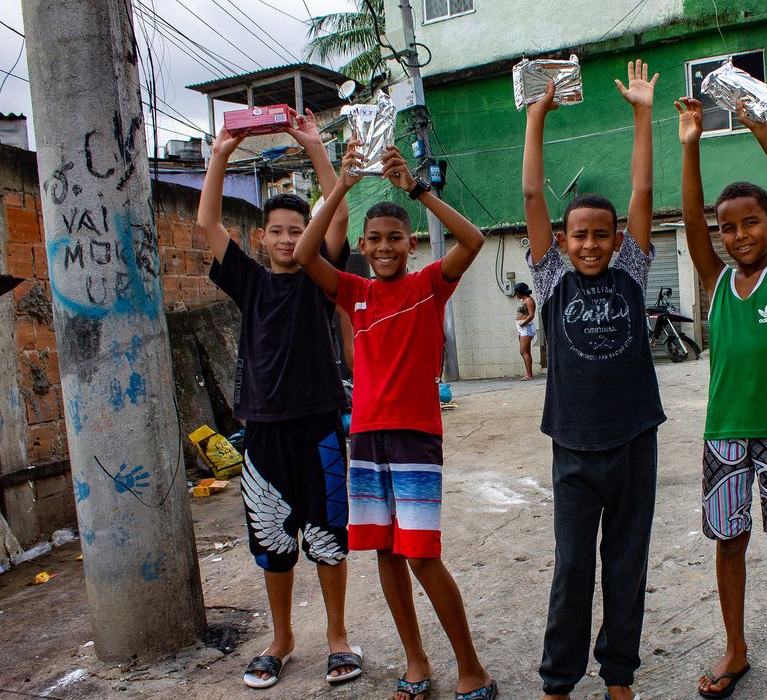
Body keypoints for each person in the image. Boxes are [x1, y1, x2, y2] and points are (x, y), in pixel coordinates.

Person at [294, 142, 496, 700]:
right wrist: (342, 186)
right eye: (375, 240)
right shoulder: (353, 292)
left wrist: (418, 190)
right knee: (385, 552)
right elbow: (307, 255)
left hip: (413, 438)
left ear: (411, 244)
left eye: (395, 239)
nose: (385, 248)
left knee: (423, 556)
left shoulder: (429, 284)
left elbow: (474, 240)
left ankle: (471, 667)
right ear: (362, 246)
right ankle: (415, 662)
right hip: (366, 439)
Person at [195, 111, 361, 688]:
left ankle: (338, 638)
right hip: (262, 429)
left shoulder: (321, 275)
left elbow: (338, 214)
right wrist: (219, 153)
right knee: (273, 544)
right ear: (261, 239)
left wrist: (314, 146)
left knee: (328, 536)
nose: (290, 240)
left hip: (318, 424)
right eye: (279, 232)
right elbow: (208, 221)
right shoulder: (246, 278)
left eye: (298, 230)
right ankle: (282, 638)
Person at [675, 96, 767, 700]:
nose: (739, 235)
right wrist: (690, 146)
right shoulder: (714, 282)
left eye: (751, 223)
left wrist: (763, 130)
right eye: (728, 227)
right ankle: (735, 649)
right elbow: (689, 217)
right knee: (729, 544)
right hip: (724, 436)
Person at [524, 60, 665, 700]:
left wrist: (642, 114)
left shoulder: (631, 272)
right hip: (574, 447)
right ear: (562, 240)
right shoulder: (551, 280)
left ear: (615, 241)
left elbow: (641, 194)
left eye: (599, 236)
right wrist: (537, 118)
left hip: (634, 439)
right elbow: (531, 197)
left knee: (626, 565)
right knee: (573, 567)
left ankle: (619, 675)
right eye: (578, 235)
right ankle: (559, 679)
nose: (589, 245)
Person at [514, 282, 537, 380]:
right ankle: (528, 373)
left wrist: (523, 323)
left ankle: (529, 375)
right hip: (521, 328)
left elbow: (531, 315)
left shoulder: (529, 300)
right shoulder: (524, 300)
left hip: (526, 327)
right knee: (524, 351)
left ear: (520, 292)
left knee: (523, 351)